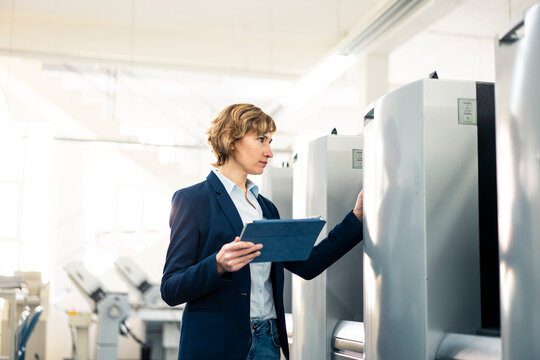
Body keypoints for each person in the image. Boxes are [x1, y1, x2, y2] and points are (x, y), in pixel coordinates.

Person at [160, 103, 363, 360]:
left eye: (270, 141)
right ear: (231, 141)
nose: (269, 151)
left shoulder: (266, 208)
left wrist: (356, 219)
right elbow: (171, 288)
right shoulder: (193, 200)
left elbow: (308, 265)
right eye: (260, 140)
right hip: (217, 344)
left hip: (268, 340)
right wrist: (218, 265)